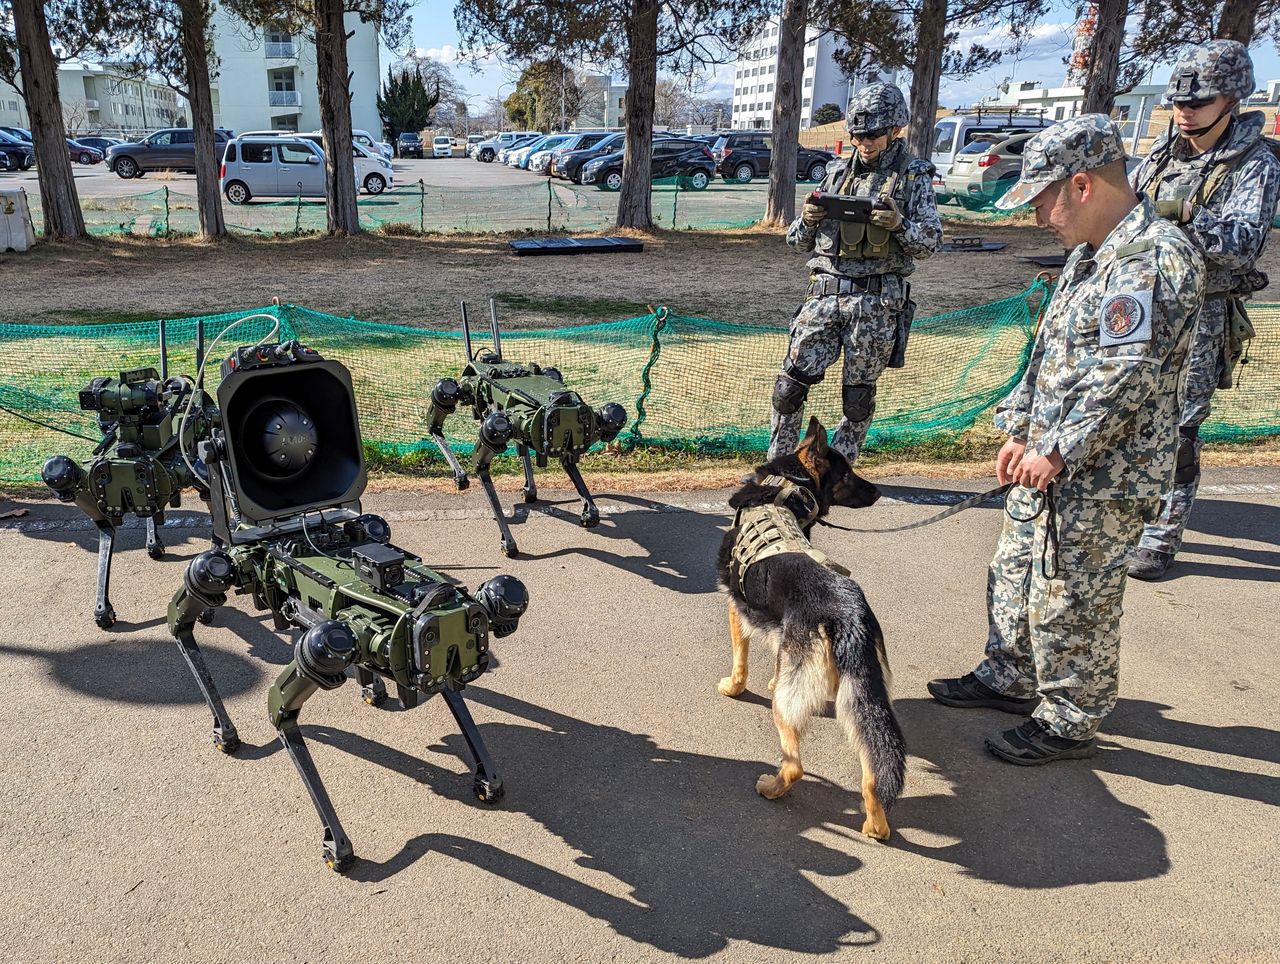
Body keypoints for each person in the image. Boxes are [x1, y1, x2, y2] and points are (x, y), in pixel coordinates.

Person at [927, 115, 1206, 765]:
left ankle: (1072, 717)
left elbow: (1125, 376)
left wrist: (1056, 450)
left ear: (1081, 185)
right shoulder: (1091, 252)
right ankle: (1011, 676)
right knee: (1018, 569)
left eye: (1043, 200)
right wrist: (1021, 428)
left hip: (1107, 470)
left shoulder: (1150, 258)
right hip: (1051, 456)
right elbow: (1050, 349)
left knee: (1073, 592)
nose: (1038, 217)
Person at [1127, 40, 1280, 580]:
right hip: (1141, 305)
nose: (1185, 111)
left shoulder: (1254, 163)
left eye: (1199, 101)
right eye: (1178, 102)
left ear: (1233, 99)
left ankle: (1162, 534)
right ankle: (1126, 514)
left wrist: (1184, 214)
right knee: (1129, 414)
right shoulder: (1159, 157)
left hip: (1200, 314)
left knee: (1181, 429)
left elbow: (1244, 242)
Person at [769, 83, 941, 466]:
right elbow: (796, 242)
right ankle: (779, 465)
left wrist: (899, 225)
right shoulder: (834, 174)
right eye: (858, 134)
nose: (864, 142)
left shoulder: (913, 177)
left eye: (873, 134)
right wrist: (807, 220)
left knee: (858, 398)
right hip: (824, 296)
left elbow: (930, 243)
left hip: (876, 304)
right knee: (789, 388)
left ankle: (839, 471)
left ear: (895, 129)